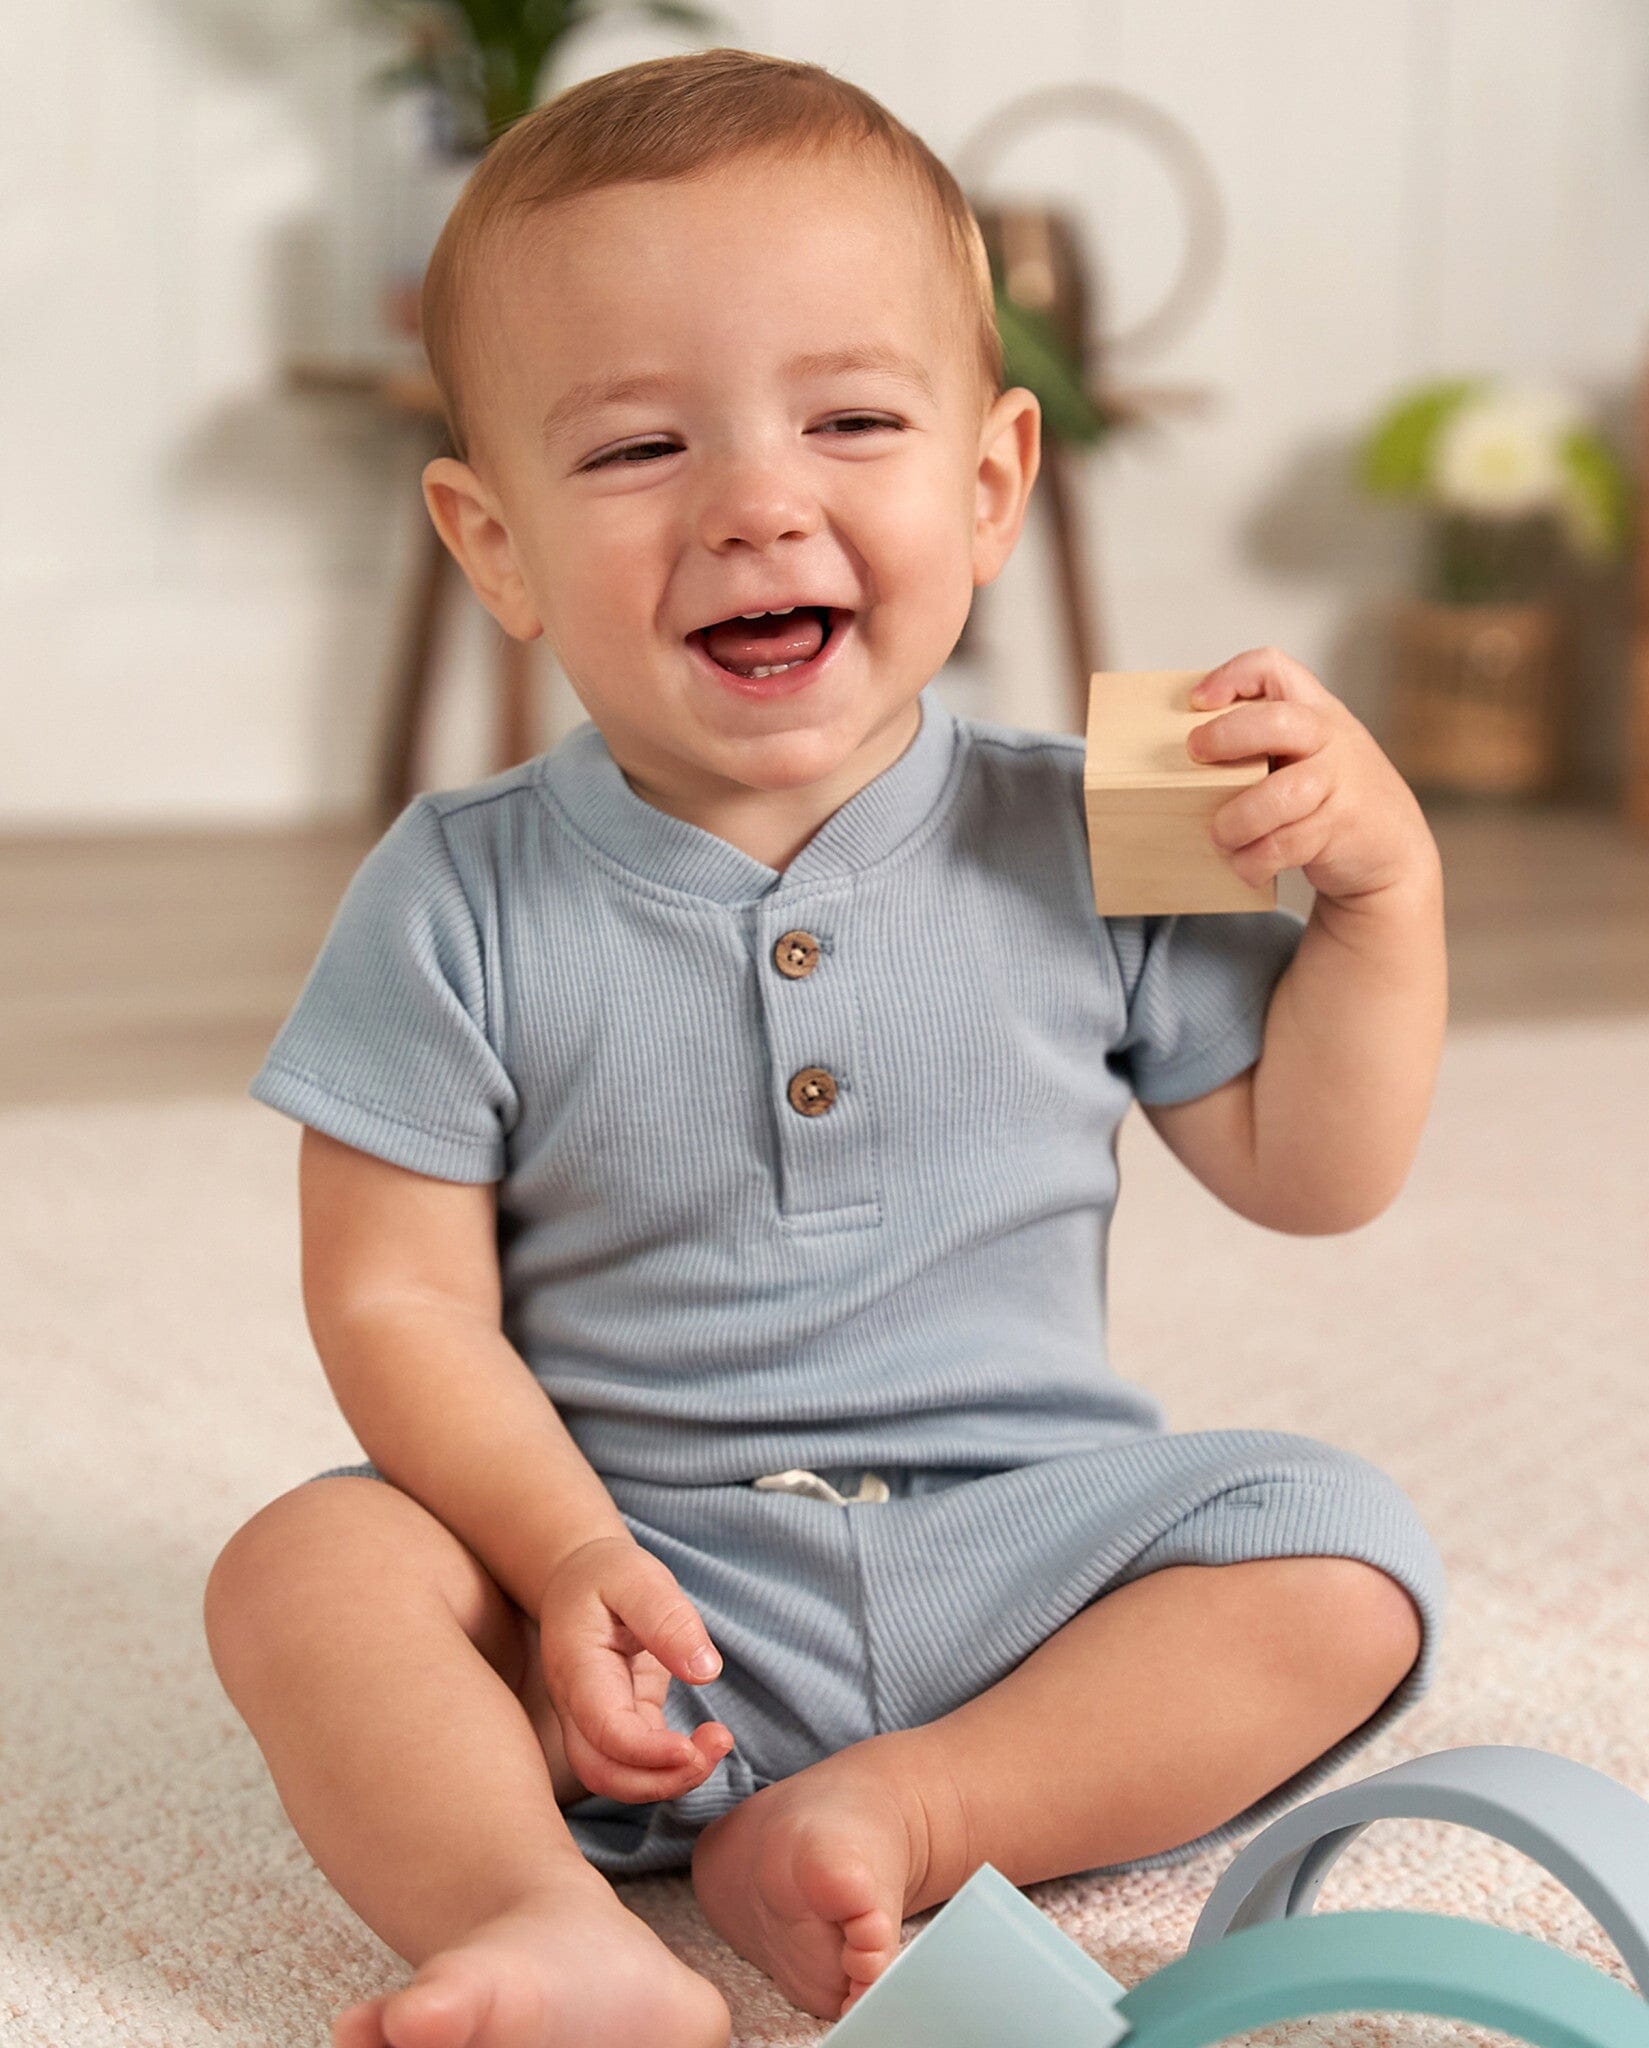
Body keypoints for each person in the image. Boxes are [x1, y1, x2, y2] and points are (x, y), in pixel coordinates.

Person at [203, 47, 1450, 2048]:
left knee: (1341, 1551)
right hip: (628, 1587)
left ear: (987, 487)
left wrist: (1384, 903)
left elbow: (1313, 1170)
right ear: (493, 539)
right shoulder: (455, 892)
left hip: (1017, 1558)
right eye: (634, 453)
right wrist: (563, 1552)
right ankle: (550, 1919)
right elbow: (392, 1302)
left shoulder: (1097, 815)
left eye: (850, 420)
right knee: (305, 1566)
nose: (756, 502)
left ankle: (908, 1805)